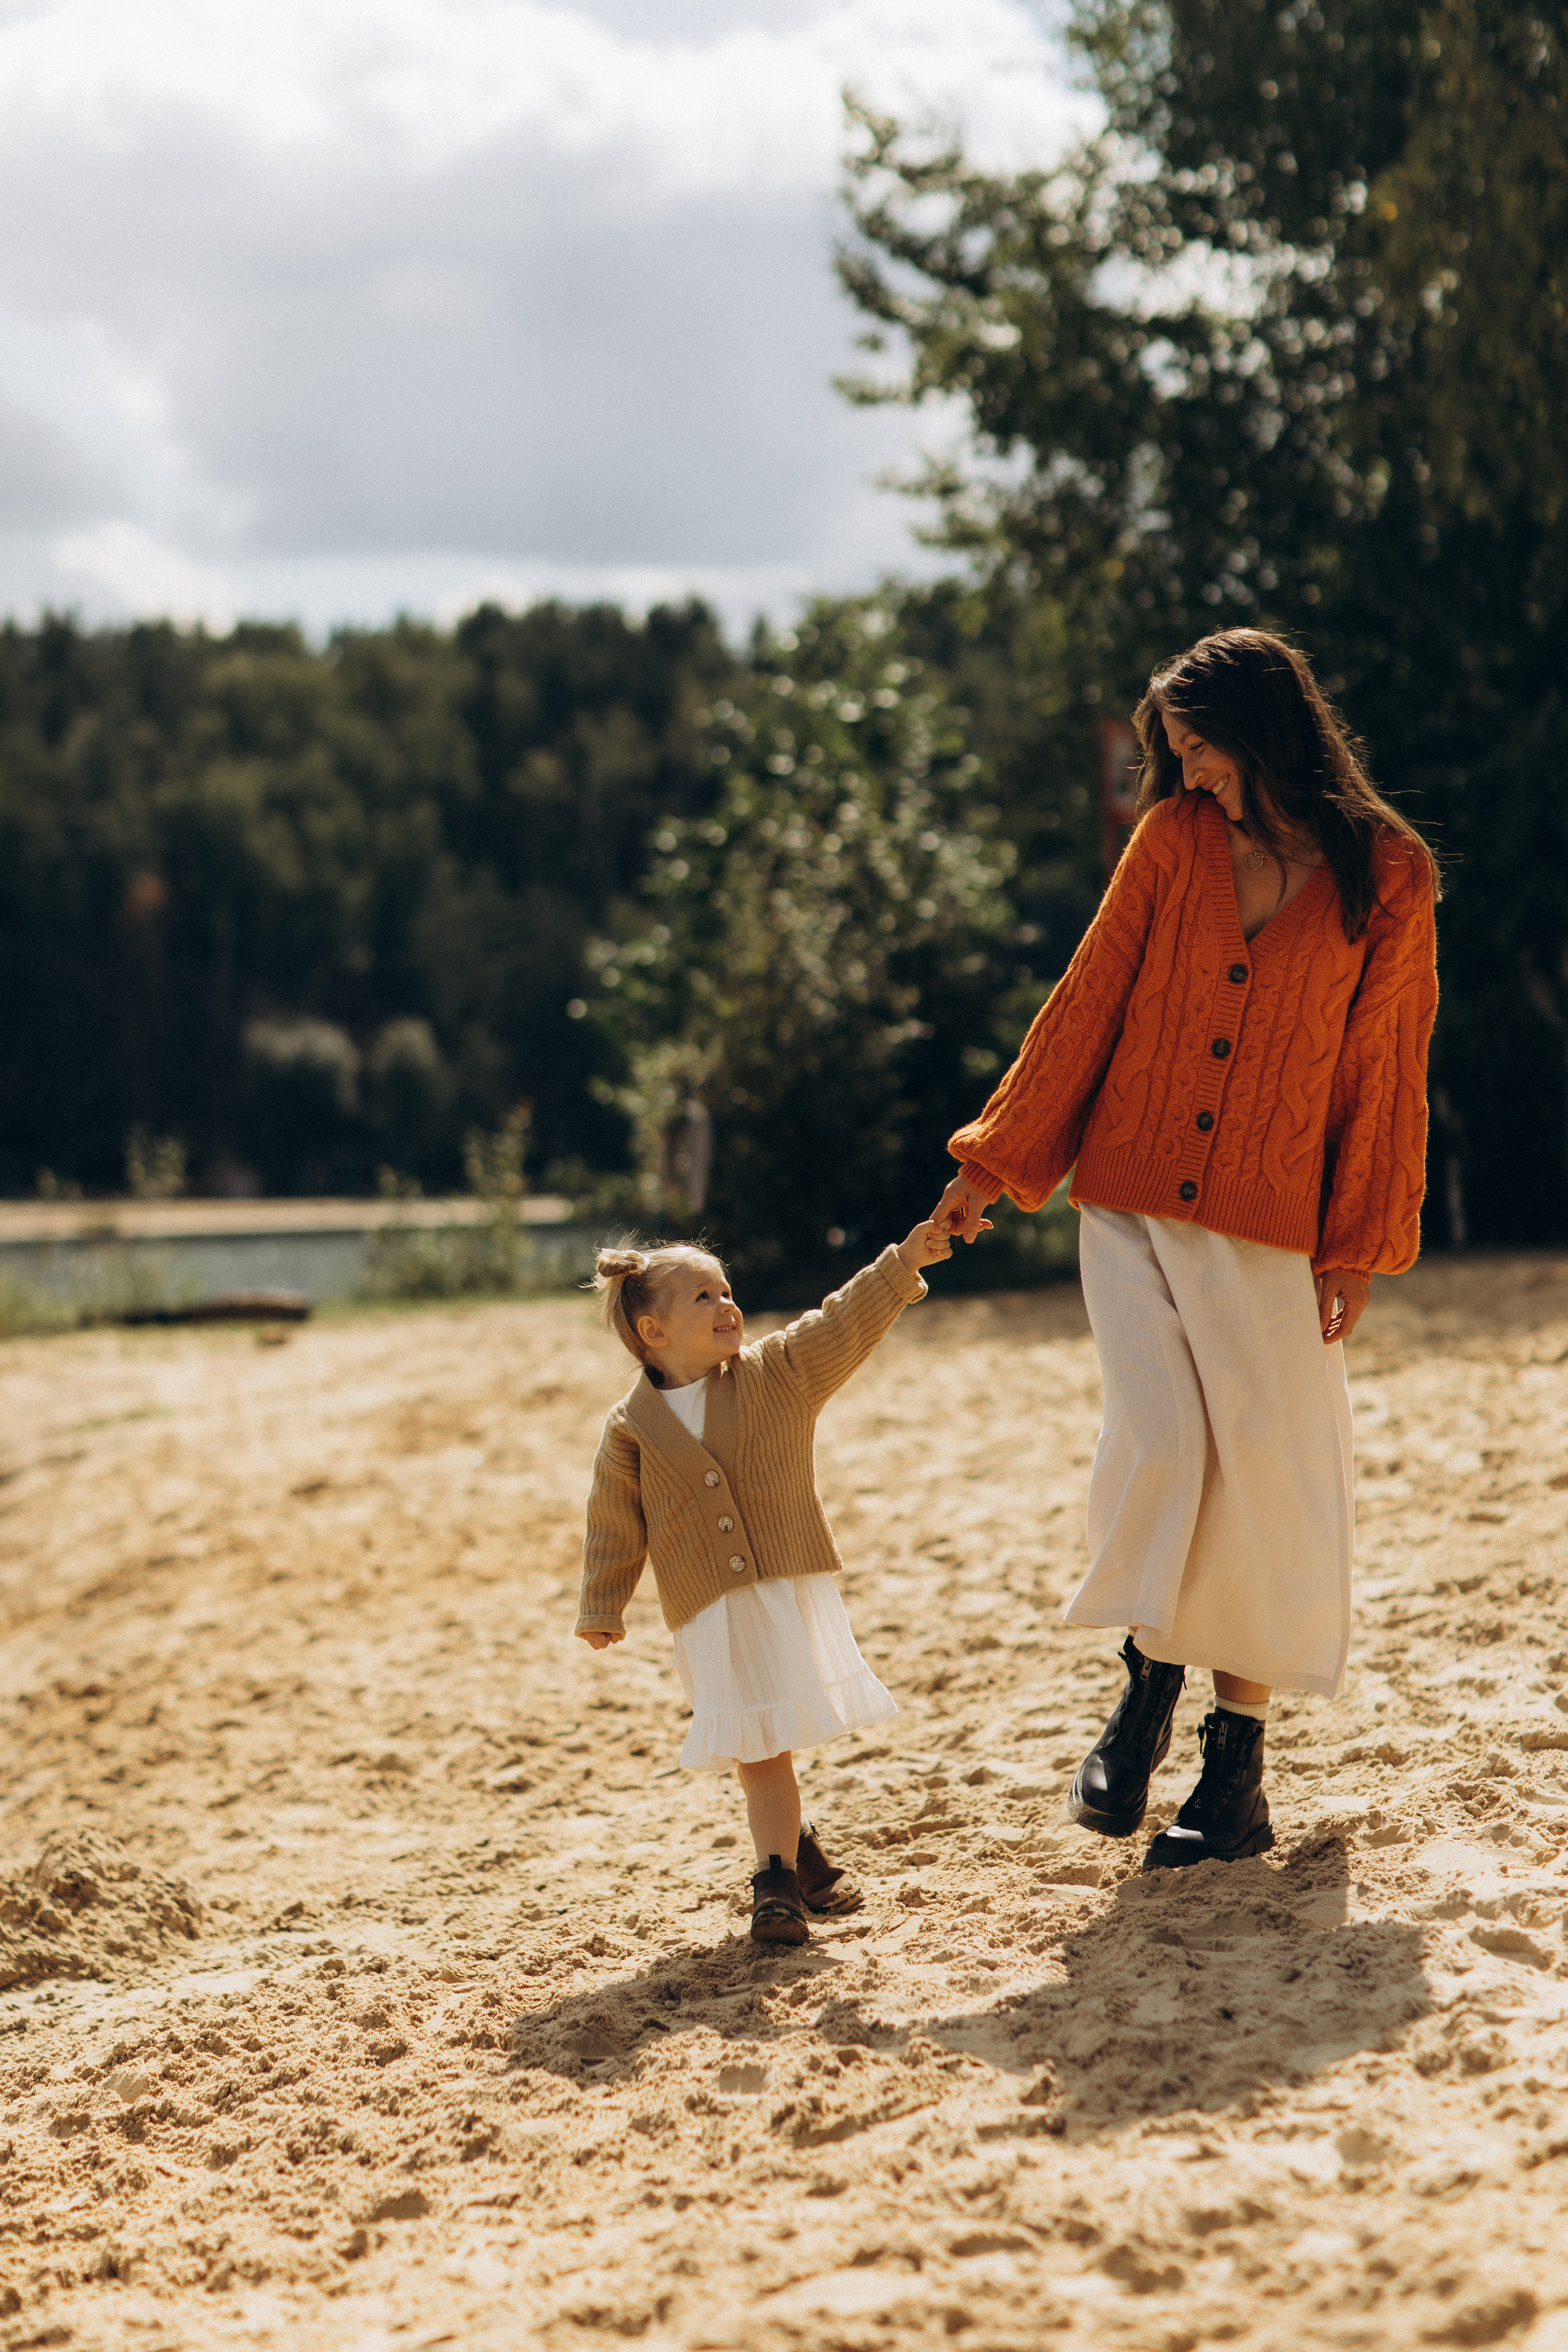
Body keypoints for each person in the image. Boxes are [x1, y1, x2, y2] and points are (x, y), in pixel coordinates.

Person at [933, 628, 1439, 1869]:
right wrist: (991, 1164)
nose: (1187, 772)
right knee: (1163, 1442)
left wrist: (1353, 1246)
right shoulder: (1170, 844)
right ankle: (1144, 1686)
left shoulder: (1385, 874)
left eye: (1199, 749)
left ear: (1263, 730)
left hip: (1271, 1225)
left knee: (1258, 1474)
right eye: (1173, 755)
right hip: (1127, 1200)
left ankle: (1234, 1770)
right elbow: (1089, 995)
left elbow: (1381, 1072)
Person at [576, 1220, 963, 1942]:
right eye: (703, 1296)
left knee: (764, 1748)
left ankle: (778, 1882)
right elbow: (613, 1522)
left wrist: (905, 1261)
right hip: (706, 1613)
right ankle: (793, 1865)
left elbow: (842, 1322)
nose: (728, 1305)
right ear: (653, 1330)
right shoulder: (630, 1427)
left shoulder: (775, 1374)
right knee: (759, 1748)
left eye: (727, 1291)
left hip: (780, 1591)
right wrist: (603, 1603)